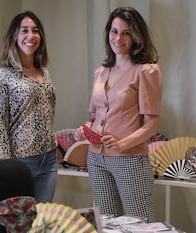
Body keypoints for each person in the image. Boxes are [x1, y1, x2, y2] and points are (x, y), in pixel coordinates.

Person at [74, 6, 162, 223]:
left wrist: (122, 144)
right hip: (95, 158)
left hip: (129, 160)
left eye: (126, 32)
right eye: (114, 31)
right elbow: (94, 118)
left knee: (138, 224)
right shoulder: (101, 72)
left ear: (136, 36)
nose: (118, 38)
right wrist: (84, 130)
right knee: (106, 223)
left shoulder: (146, 71)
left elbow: (152, 124)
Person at [0, 10, 58, 203]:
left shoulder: (44, 72)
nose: (31, 36)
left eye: (35, 31)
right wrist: (7, 162)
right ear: (15, 37)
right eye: (24, 30)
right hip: (20, 161)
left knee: (41, 221)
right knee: (19, 223)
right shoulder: (2, 76)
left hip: (49, 160)